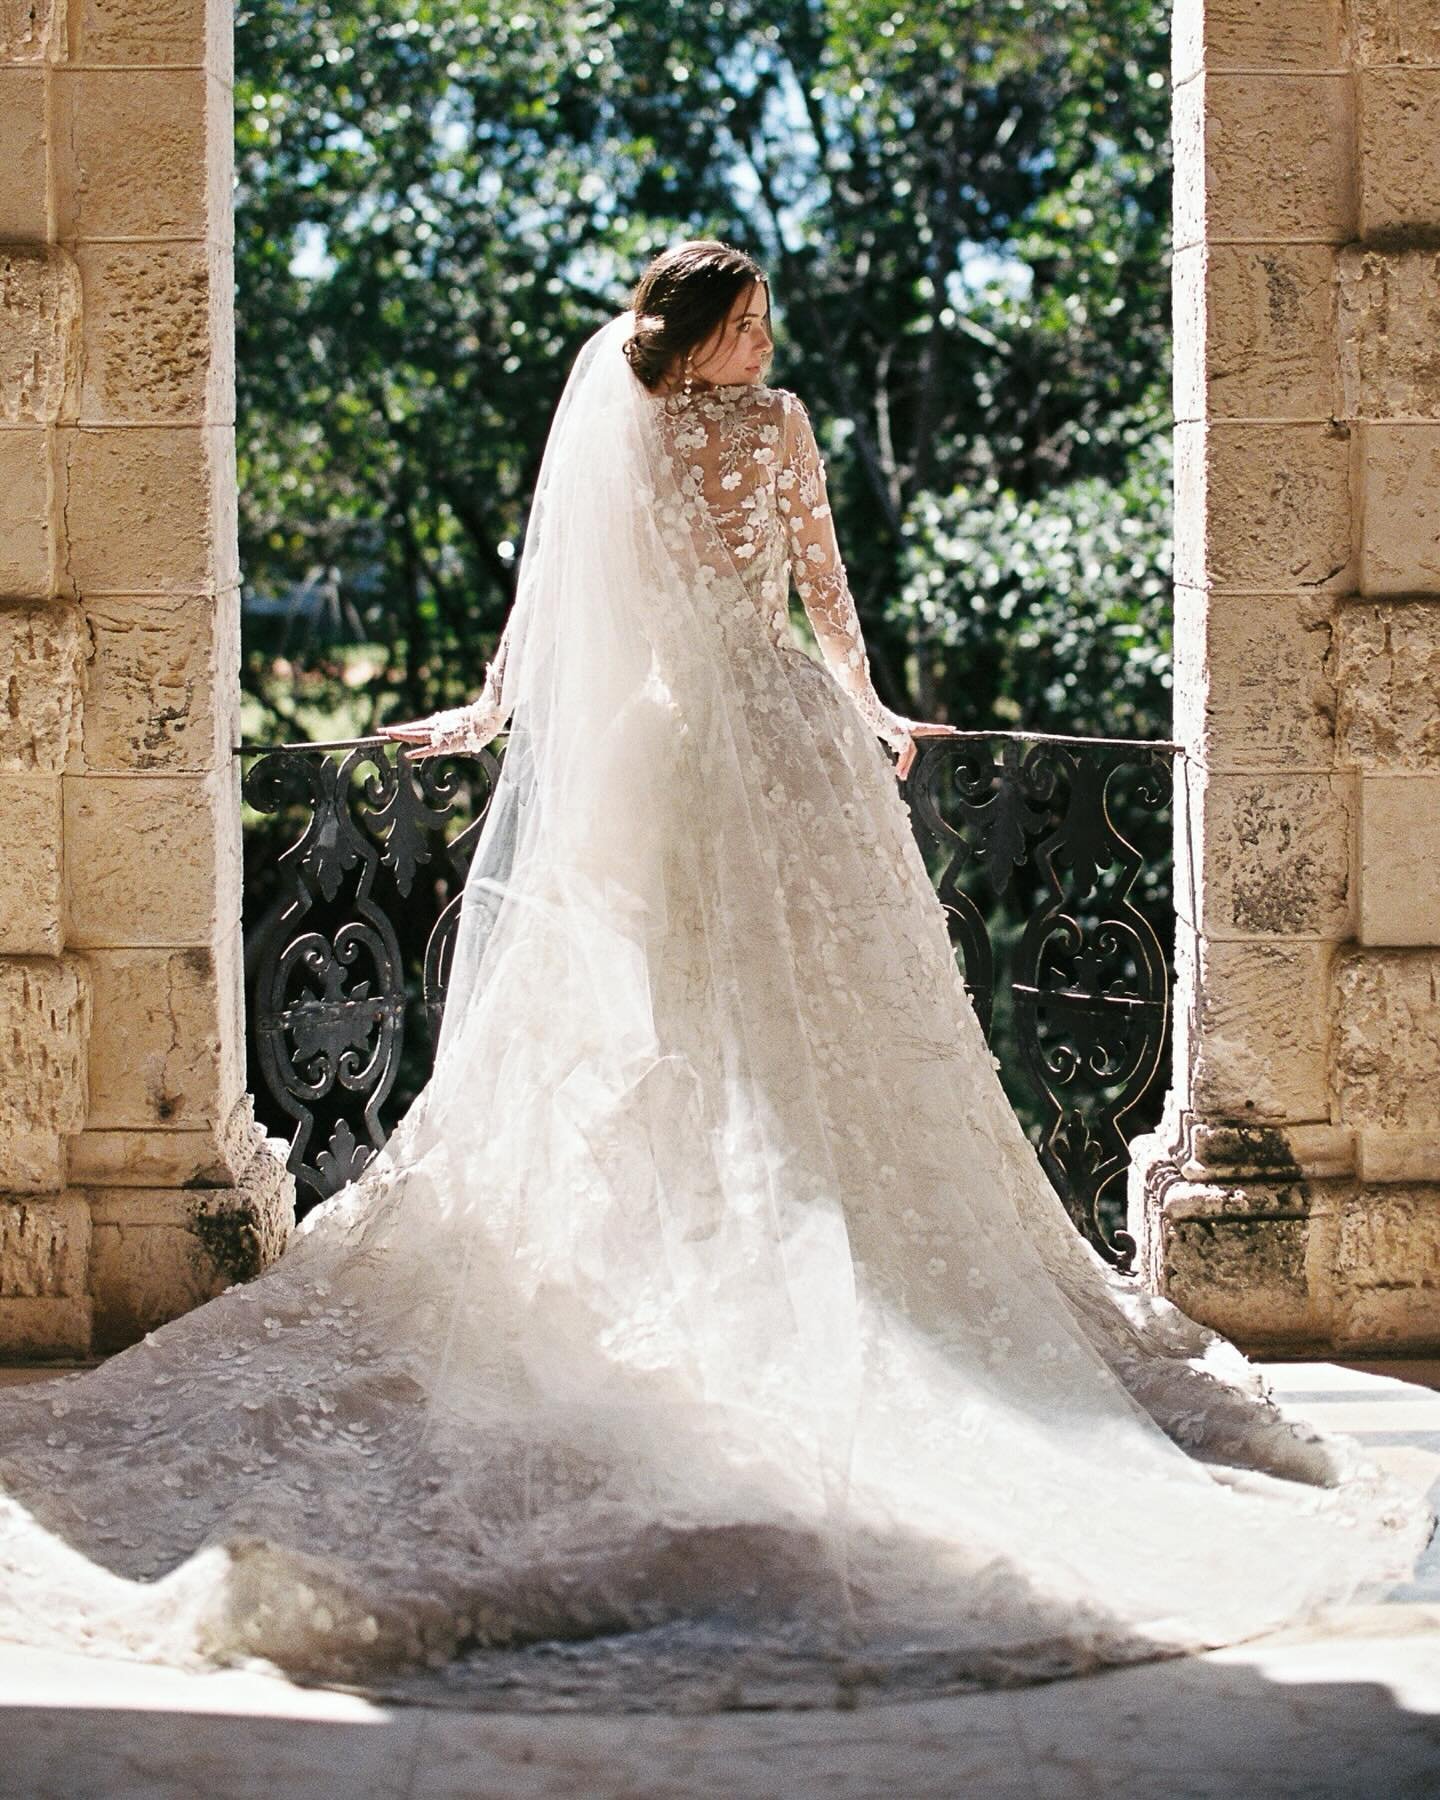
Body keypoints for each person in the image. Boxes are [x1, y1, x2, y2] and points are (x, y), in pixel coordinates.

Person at [0, 241, 1429, 1709]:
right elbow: (811, 586)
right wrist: (850, 698)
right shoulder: (771, 424)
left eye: (762, 324)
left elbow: (574, 594)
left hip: (667, 740)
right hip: (760, 732)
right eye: (745, 323)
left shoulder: (648, 425)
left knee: (701, 1002)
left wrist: (506, 708)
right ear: (695, 337)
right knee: (739, 1007)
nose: (765, 341)